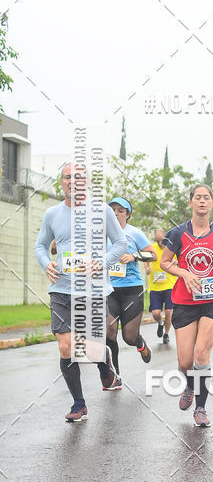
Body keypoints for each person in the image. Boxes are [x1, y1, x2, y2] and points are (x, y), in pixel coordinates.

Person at [34, 163, 126, 422]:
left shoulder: (103, 211)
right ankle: (79, 404)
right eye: (67, 177)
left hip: (93, 288)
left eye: (78, 178)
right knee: (66, 347)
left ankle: (104, 362)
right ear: (61, 182)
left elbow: (120, 243)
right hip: (62, 289)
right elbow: (40, 245)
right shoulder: (52, 214)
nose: (73, 182)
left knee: (93, 348)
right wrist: (46, 263)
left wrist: (102, 262)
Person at [161, 184, 213, 428]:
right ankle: (189, 385)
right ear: (191, 203)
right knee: (185, 362)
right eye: (198, 197)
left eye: (206, 198)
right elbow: (165, 262)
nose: (202, 201)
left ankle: (201, 408)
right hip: (185, 301)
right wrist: (184, 273)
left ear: (212, 203)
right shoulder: (177, 233)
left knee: (201, 354)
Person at [106, 197, 157, 381]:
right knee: (108, 331)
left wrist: (133, 256)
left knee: (129, 336)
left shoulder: (134, 233)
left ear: (127, 215)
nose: (116, 213)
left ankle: (140, 344)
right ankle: (115, 374)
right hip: (108, 290)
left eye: (121, 210)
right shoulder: (100, 234)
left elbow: (153, 255)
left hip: (131, 291)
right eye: (112, 210)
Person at [145, 227, 177, 345]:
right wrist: (147, 268)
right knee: (155, 313)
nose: (159, 237)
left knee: (169, 311)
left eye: (160, 234)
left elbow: (177, 260)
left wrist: (175, 262)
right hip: (155, 286)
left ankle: (166, 334)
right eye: (156, 234)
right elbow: (146, 259)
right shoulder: (151, 247)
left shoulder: (170, 247)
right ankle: (160, 323)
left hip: (169, 284)